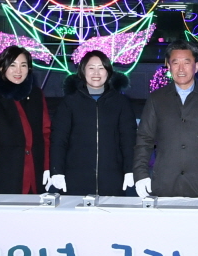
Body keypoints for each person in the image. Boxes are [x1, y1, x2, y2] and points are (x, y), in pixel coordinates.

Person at [133, 42, 198, 198]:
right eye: (175, 63)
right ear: (169, 67)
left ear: (196, 67)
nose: (181, 69)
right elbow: (144, 139)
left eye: (186, 63)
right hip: (164, 184)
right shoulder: (157, 99)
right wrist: (140, 174)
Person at [48, 50, 136, 196]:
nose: (96, 73)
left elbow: (128, 139)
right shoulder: (69, 103)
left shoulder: (121, 103)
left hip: (112, 178)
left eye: (101, 68)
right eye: (91, 68)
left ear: (108, 72)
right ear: (83, 71)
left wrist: (130, 169)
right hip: (75, 178)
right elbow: (58, 140)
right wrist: (56, 170)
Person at [0, 45, 50, 195]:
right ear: (2, 68)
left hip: (36, 170)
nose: (18, 71)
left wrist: (49, 166)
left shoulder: (36, 94)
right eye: (12, 65)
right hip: (9, 171)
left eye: (23, 65)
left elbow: (46, 132)